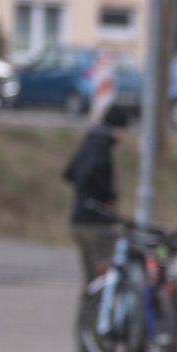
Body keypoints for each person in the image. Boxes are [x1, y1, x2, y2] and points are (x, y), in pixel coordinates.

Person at [62, 102, 130, 281]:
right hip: (94, 222)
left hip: (79, 218)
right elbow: (89, 172)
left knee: (92, 281)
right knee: (101, 280)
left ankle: (88, 309)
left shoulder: (90, 138)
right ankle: (97, 310)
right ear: (119, 127)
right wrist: (107, 196)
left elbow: (69, 173)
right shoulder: (102, 143)